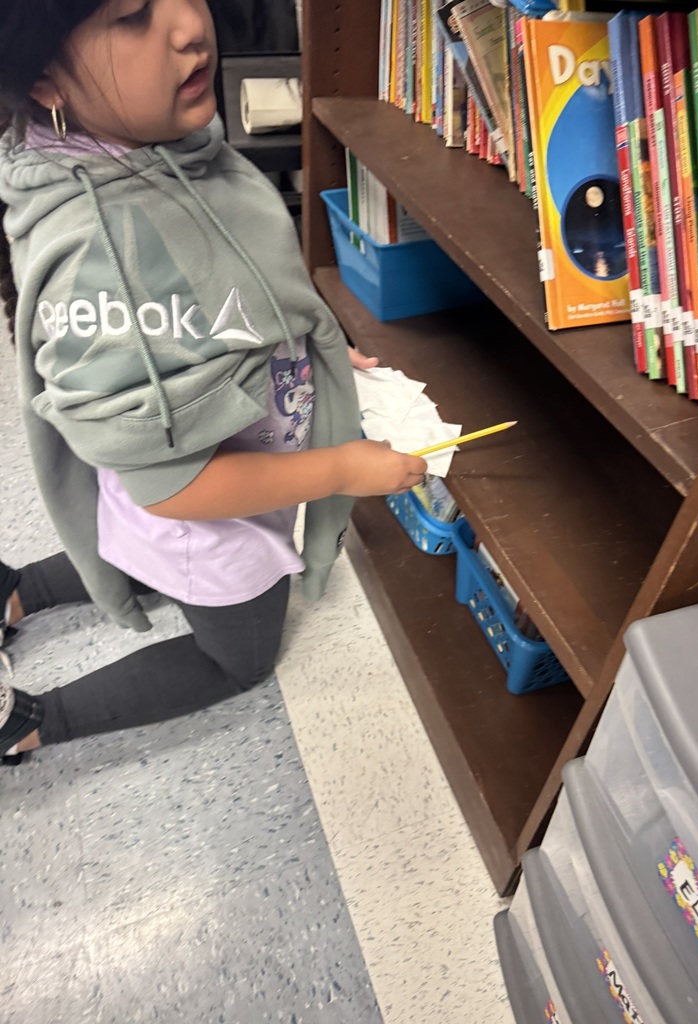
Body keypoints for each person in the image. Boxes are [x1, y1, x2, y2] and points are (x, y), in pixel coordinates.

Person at [0, 0, 427, 764]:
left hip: (164, 474)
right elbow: (172, 488)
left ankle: (17, 588)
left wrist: (312, 356)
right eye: (132, 16)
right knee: (238, 659)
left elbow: (217, 298)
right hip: (209, 518)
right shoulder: (103, 256)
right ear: (44, 79)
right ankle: (36, 719)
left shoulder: (143, 144)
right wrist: (340, 468)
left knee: (128, 536)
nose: (191, 26)